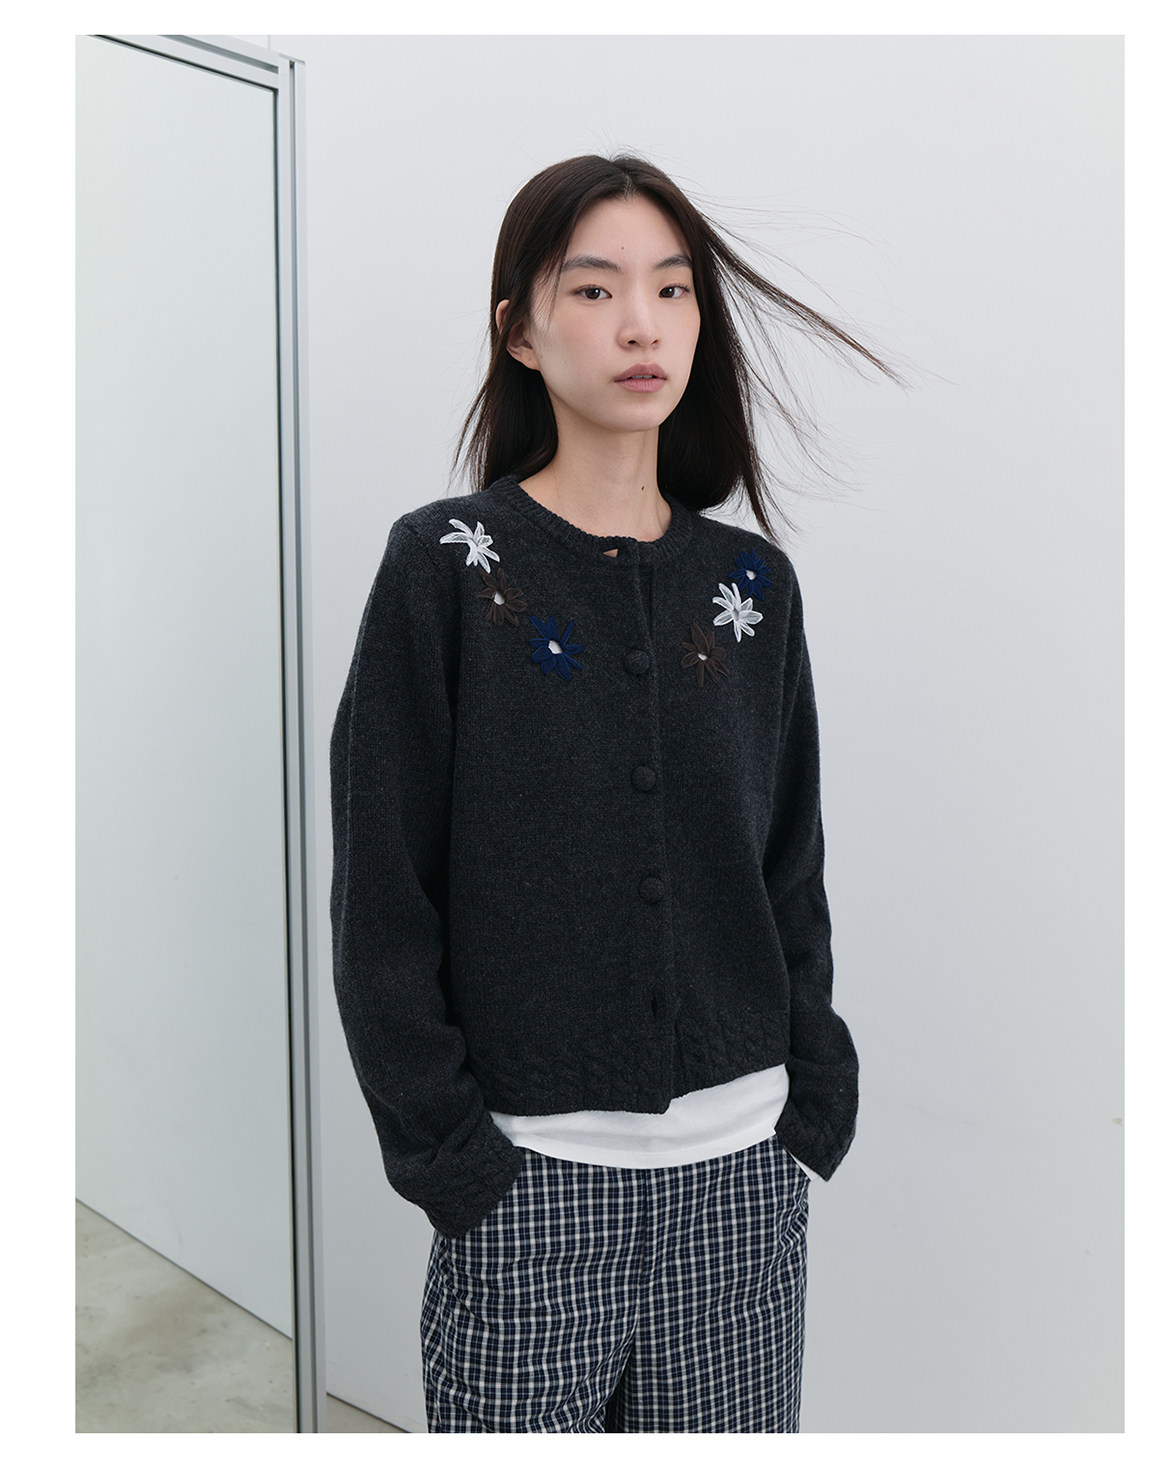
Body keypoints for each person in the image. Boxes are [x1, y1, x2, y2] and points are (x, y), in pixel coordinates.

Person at [329, 152, 900, 1433]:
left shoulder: (751, 586)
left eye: (672, 288)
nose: (641, 323)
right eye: (593, 289)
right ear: (519, 331)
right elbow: (382, 892)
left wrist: (812, 1094)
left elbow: (789, 863)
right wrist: (453, 1159)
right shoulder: (447, 568)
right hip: (528, 1188)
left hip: (745, 1183)